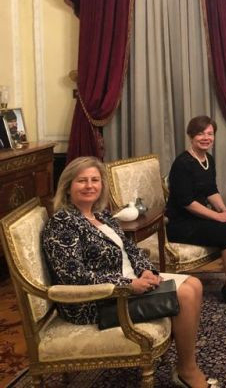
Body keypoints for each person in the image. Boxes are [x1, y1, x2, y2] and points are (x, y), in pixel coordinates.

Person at [42, 157, 215, 388]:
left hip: (129, 282)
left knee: (194, 284)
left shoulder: (101, 215)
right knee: (185, 294)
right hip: (98, 300)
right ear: (67, 187)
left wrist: (146, 270)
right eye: (82, 181)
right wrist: (127, 284)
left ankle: (185, 366)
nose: (90, 185)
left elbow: (130, 248)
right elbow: (73, 276)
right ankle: (187, 372)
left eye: (95, 180)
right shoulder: (62, 223)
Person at [167, 115, 226, 306]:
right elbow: (187, 202)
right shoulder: (182, 163)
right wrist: (217, 216)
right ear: (191, 136)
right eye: (201, 134)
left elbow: (211, 190)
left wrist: (225, 210)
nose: (206, 138)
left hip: (198, 218)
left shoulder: (208, 159)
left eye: (210, 133)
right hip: (182, 223)